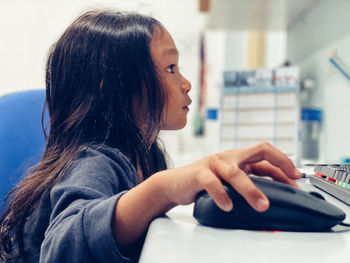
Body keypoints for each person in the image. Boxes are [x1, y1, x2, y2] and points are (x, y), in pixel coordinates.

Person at [0, 9, 301, 263]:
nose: (186, 83)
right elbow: (61, 248)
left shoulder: (146, 153)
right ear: (115, 88)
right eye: (170, 68)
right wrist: (164, 189)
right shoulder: (93, 161)